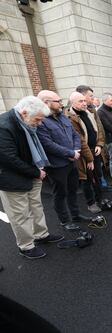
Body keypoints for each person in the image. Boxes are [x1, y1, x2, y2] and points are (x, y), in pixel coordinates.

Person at [0, 96, 64, 259]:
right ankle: (26, 246)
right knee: (20, 214)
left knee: (36, 207)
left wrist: (37, 170)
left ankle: (41, 235)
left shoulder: (26, 122)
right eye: (38, 119)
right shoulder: (4, 126)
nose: (40, 123)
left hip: (33, 172)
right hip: (12, 179)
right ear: (24, 113)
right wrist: (36, 172)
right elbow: (8, 158)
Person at [37, 90, 92, 231]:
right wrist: (69, 153)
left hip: (71, 161)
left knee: (73, 190)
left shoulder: (62, 116)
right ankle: (65, 221)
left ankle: (75, 215)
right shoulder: (40, 120)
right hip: (57, 165)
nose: (61, 103)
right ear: (46, 103)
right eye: (58, 101)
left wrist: (76, 151)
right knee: (60, 194)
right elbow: (47, 144)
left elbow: (75, 135)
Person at [67, 92, 103, 213]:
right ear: (72, 103)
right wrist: (89, 158)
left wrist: (99, 144)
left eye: (84, 100)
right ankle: (91, 203)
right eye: (80, 101)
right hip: (83, 155)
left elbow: (98, 130)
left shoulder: (89, 113)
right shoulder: (70, 117)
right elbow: (80, 140)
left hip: (95, 150)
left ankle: (100, 198)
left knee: (98, 175)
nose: (84, 103)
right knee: (86, 179)